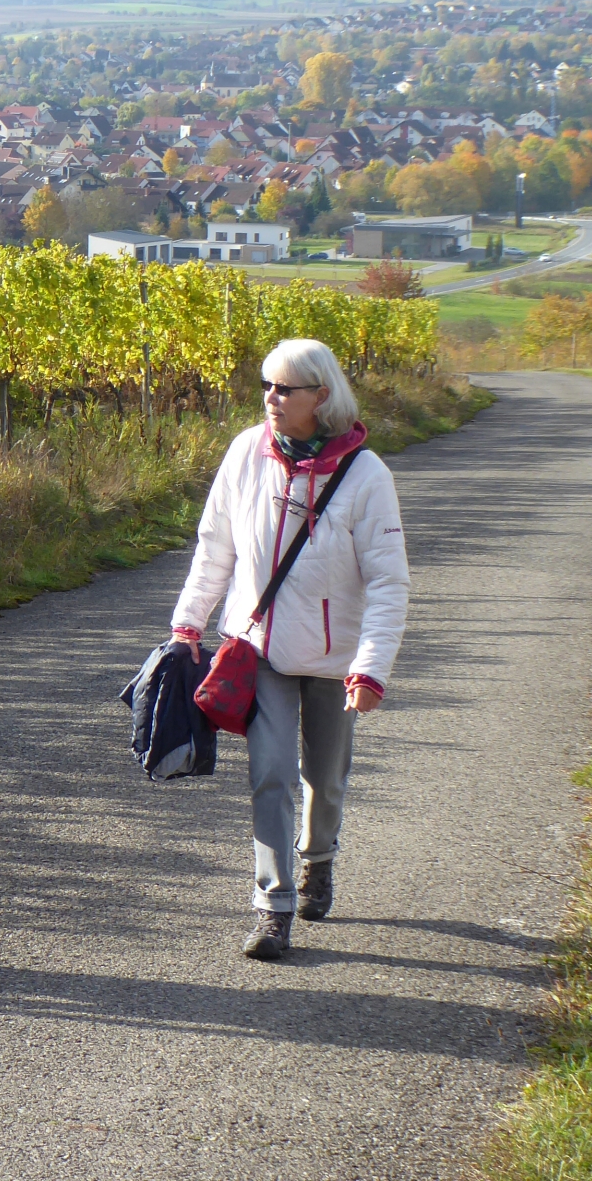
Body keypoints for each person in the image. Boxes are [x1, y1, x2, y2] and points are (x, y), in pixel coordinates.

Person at [169, 338, 409, 961]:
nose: (270, 399)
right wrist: (188, 624)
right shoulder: (247, 452)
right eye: (266, 386)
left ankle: (319, 858)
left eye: (285, 390)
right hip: (261, 648)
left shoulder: (366, 474)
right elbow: (215, 544)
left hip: (336, 659)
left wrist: (371, 668)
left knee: (323, 778)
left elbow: (389, 579)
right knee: (269, 775)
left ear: (321, 398)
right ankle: (273, 908)